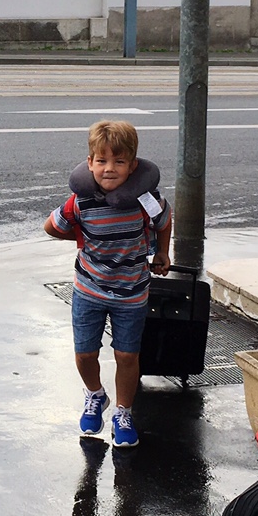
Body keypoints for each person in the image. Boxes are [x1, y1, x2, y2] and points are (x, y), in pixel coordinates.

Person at [44, 120, 171, 448]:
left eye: (119, 162)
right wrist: (79, 236)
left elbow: (165, 221)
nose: (109, 169)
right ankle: (95, 394)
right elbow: (51, 226)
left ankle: (123, 412)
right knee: (86, 353)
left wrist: (163, 253)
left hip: (132, 291)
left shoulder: (146, 200)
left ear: (133, 166)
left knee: (127, 356)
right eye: (101, 161)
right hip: (89, 288)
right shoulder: (80, 201)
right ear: (89, 163)